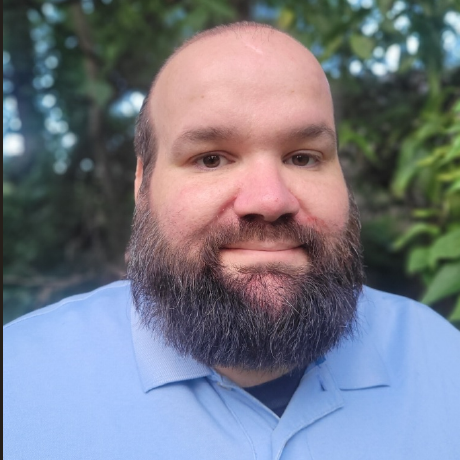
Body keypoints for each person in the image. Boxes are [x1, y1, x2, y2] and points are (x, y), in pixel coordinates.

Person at [4, 22, 460, 460]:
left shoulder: (442, 360)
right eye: (211, 159)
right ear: (142, 184)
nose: (270, 200)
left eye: (303, 157)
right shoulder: (19, 387)